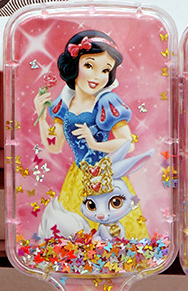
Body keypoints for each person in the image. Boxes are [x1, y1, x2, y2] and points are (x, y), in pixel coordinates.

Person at [34, 29, 148, 240]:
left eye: (105, 70)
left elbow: (127, 143)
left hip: (106, 177)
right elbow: (54, 146)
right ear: (74, 65)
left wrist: (94, 144)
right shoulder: (64, 103)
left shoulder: (107, 102)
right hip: (78, 178)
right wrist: (41, 117)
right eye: (89, 66)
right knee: (76, 234)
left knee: (112, 231)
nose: (97, 76)